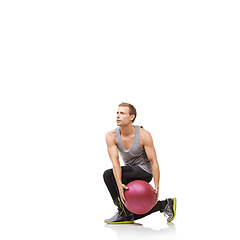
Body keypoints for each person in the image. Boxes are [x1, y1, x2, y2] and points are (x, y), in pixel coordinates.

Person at [103, 102, 176, 224]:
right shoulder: (111, 136)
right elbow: (115, 162)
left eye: (122, 113)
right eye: (117, 113)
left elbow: (154, 162)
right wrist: (119, 183)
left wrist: (157, 186)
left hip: (144, 171)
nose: (118, 116)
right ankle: (165, 204)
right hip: (130, 171)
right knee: (133, 213)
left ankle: (123, 212)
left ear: (132, 117)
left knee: (107, 175)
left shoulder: (143, 135)